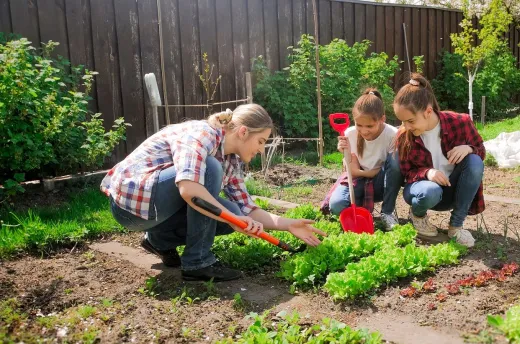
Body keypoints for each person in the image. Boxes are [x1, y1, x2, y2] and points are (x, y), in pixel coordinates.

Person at [100, 104, 325, 282]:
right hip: (132, 204)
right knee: (211, 172)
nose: (260, 149)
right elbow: (190, 190)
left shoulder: (231, 161)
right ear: (244, 132)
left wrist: (288, 224)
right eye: (261, 141)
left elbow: (249, 209)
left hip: (154, 211)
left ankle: (158, 240)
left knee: (234, 210)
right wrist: (234, 218)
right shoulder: (203, 134)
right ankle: (198, 263)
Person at [393, 73, 485, 247]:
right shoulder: (404, 135)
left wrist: (469, 148)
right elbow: (407, 173)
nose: (406, 127)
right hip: (424, 192)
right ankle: (418, 217)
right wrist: (428, 173)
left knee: (474, 161)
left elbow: (481, 151)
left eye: (411, 121)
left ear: (428, 111)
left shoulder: (460, 122)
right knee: (429, 190)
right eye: (403, 121)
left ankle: (456, 227)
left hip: (453, 191)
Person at [321, 88, 403, 231]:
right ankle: (359, 210)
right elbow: (352, 171)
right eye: (359, 125)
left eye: (370, 126)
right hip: (357, 179)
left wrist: (373, 174)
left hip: (382, 182)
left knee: (396, 160)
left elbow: (394, 169)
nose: (364, 131)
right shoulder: (349, 134)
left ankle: (387, 212)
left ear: (382, 119)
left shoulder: (393, 134)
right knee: (337, 206)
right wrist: (345, 152)